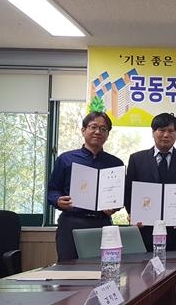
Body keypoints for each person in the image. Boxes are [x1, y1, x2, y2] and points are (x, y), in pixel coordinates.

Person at [48, 111, 124, 261]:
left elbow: (120, 195)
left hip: (102, 224)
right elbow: (52, 190)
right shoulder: (66, 159)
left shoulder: (115, 164)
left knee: (103, 268)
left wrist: (115, 207)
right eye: (93, 127)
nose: (98, 132)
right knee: (68, 268)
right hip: (71, 222)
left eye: (103, 129)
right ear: (83, 130)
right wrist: (58, 200)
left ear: (107, 134)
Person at [124, 113, 176, 251]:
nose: (166, 135)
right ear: (153, 132)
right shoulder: (137, 159)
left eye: (171, 131)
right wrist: (133, 213)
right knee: (143, 264)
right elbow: (128, 190)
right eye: (161, 130)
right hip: (145, 230)